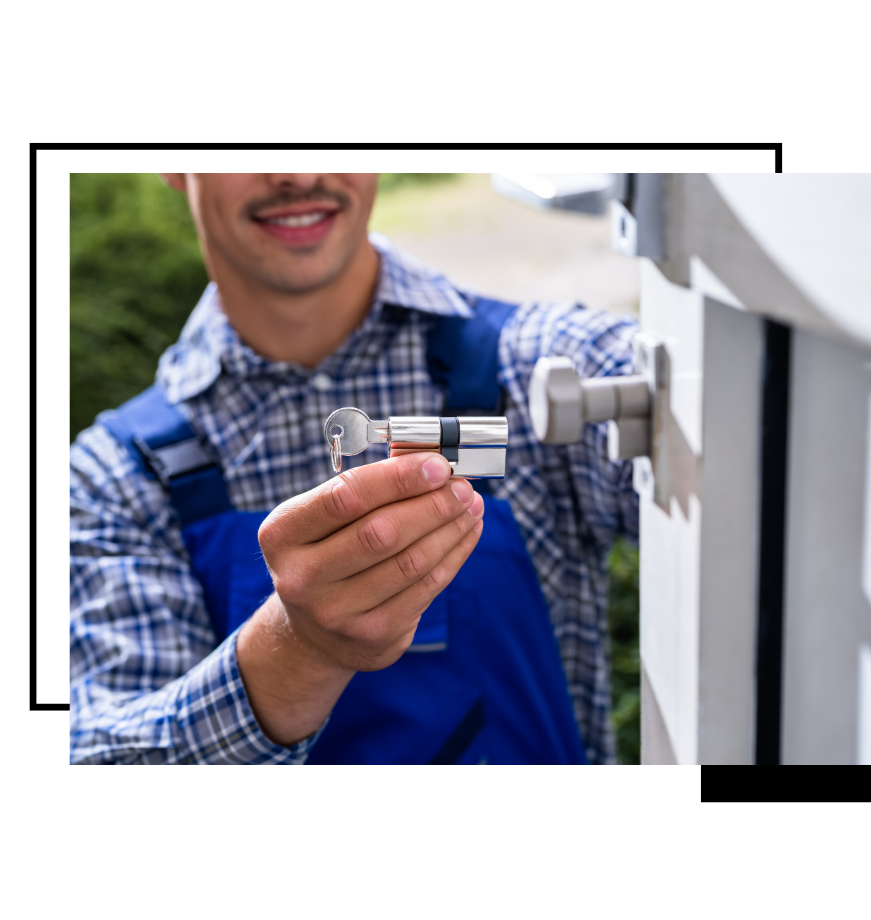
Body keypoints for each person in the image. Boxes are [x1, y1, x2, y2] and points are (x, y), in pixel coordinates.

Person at [69, 173, 639, 764]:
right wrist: (298, 649)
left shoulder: (541, 372)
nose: (300, 178)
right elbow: (104, 748)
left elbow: (713, 428)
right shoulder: (119, 476)